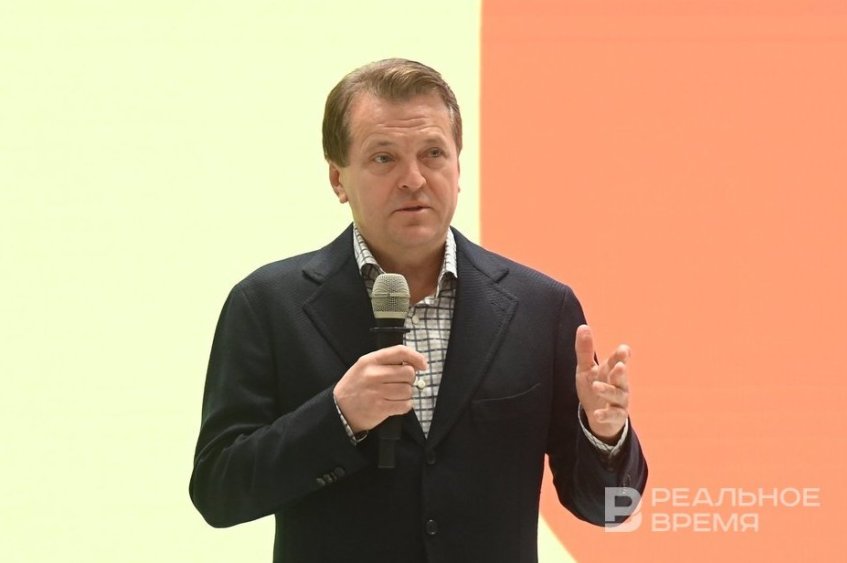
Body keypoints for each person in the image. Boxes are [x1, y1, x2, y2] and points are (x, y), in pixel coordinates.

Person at [190, 58, 647, 563]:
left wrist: (605, 436)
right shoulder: (268, 305)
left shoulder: (542, 308)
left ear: (458, 166)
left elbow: (610, 509)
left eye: (433, 153)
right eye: (384, 158)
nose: (413, 179)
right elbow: (219, 491)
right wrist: (339, 416)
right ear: (338, 179)